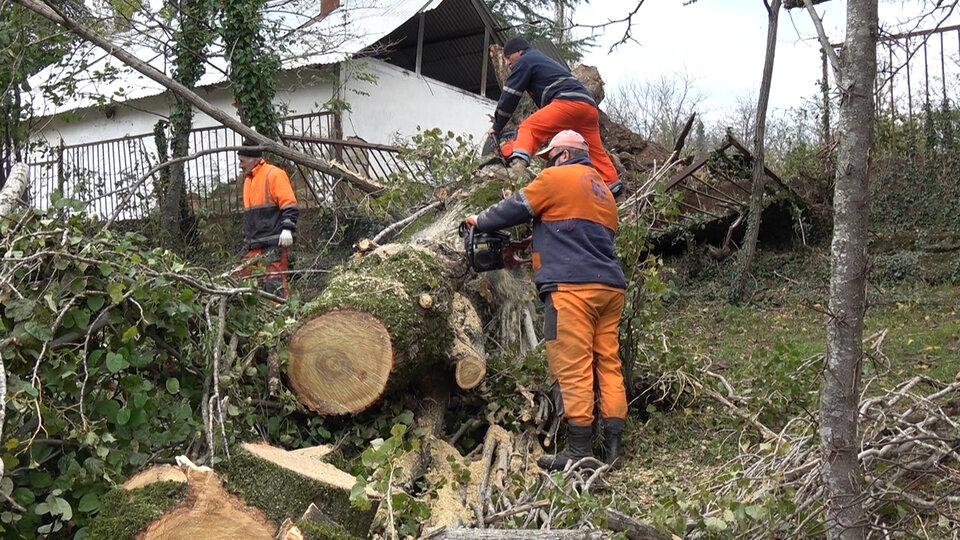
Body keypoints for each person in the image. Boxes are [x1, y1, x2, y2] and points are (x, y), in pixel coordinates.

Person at [464, 130, 628, 470]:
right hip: (610, 289)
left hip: (572, 289)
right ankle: (614, 448)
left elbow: (517, 207)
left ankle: (580, 450)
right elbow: (576, 236)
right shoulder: (602, 193)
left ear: (563, 156)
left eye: (549, 158)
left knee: (574, 366)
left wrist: (480, 220)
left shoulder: (557, 178)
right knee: (608, 364)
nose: (546, 165)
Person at [490, 36, 623, 197]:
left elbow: (510, 96)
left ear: (519, 51)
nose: (508, 63)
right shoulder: (541, 60)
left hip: (568, 102)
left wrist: (497, 127)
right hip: (587, 107)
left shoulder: (525, 60)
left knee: (529, 128)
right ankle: (614, 190)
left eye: (508, 57)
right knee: (594, 152)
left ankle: (518, 168)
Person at [237, 139, 299, 298]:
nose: (240, 165)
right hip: (255, 244)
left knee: (274, 284)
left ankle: (283, 316)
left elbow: (289, 204)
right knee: (245, 280)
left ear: (254, 159)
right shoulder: (248, 181)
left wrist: (287, 228)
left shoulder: (274, 174)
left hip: (273, 243)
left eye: (242, 161)